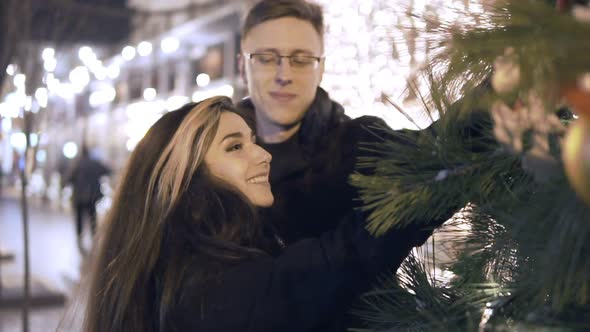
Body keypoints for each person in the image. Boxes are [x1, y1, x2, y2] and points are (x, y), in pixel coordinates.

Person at [82, 97, 442, 332]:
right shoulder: (210, 288)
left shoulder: (207, 258)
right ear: (188, 178)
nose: (262, 155)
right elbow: (347, 257)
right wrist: (470, 141)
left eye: (253, 140)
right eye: (235, 147)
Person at [63, 145, 110, 251]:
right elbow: (107, 170)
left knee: (79, 219)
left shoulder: (77, 164)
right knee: (92, 218)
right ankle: (94, 238)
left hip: (79, 197)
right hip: (92, 197)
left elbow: (69, 178)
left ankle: (80, 238)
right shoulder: (94, 163)